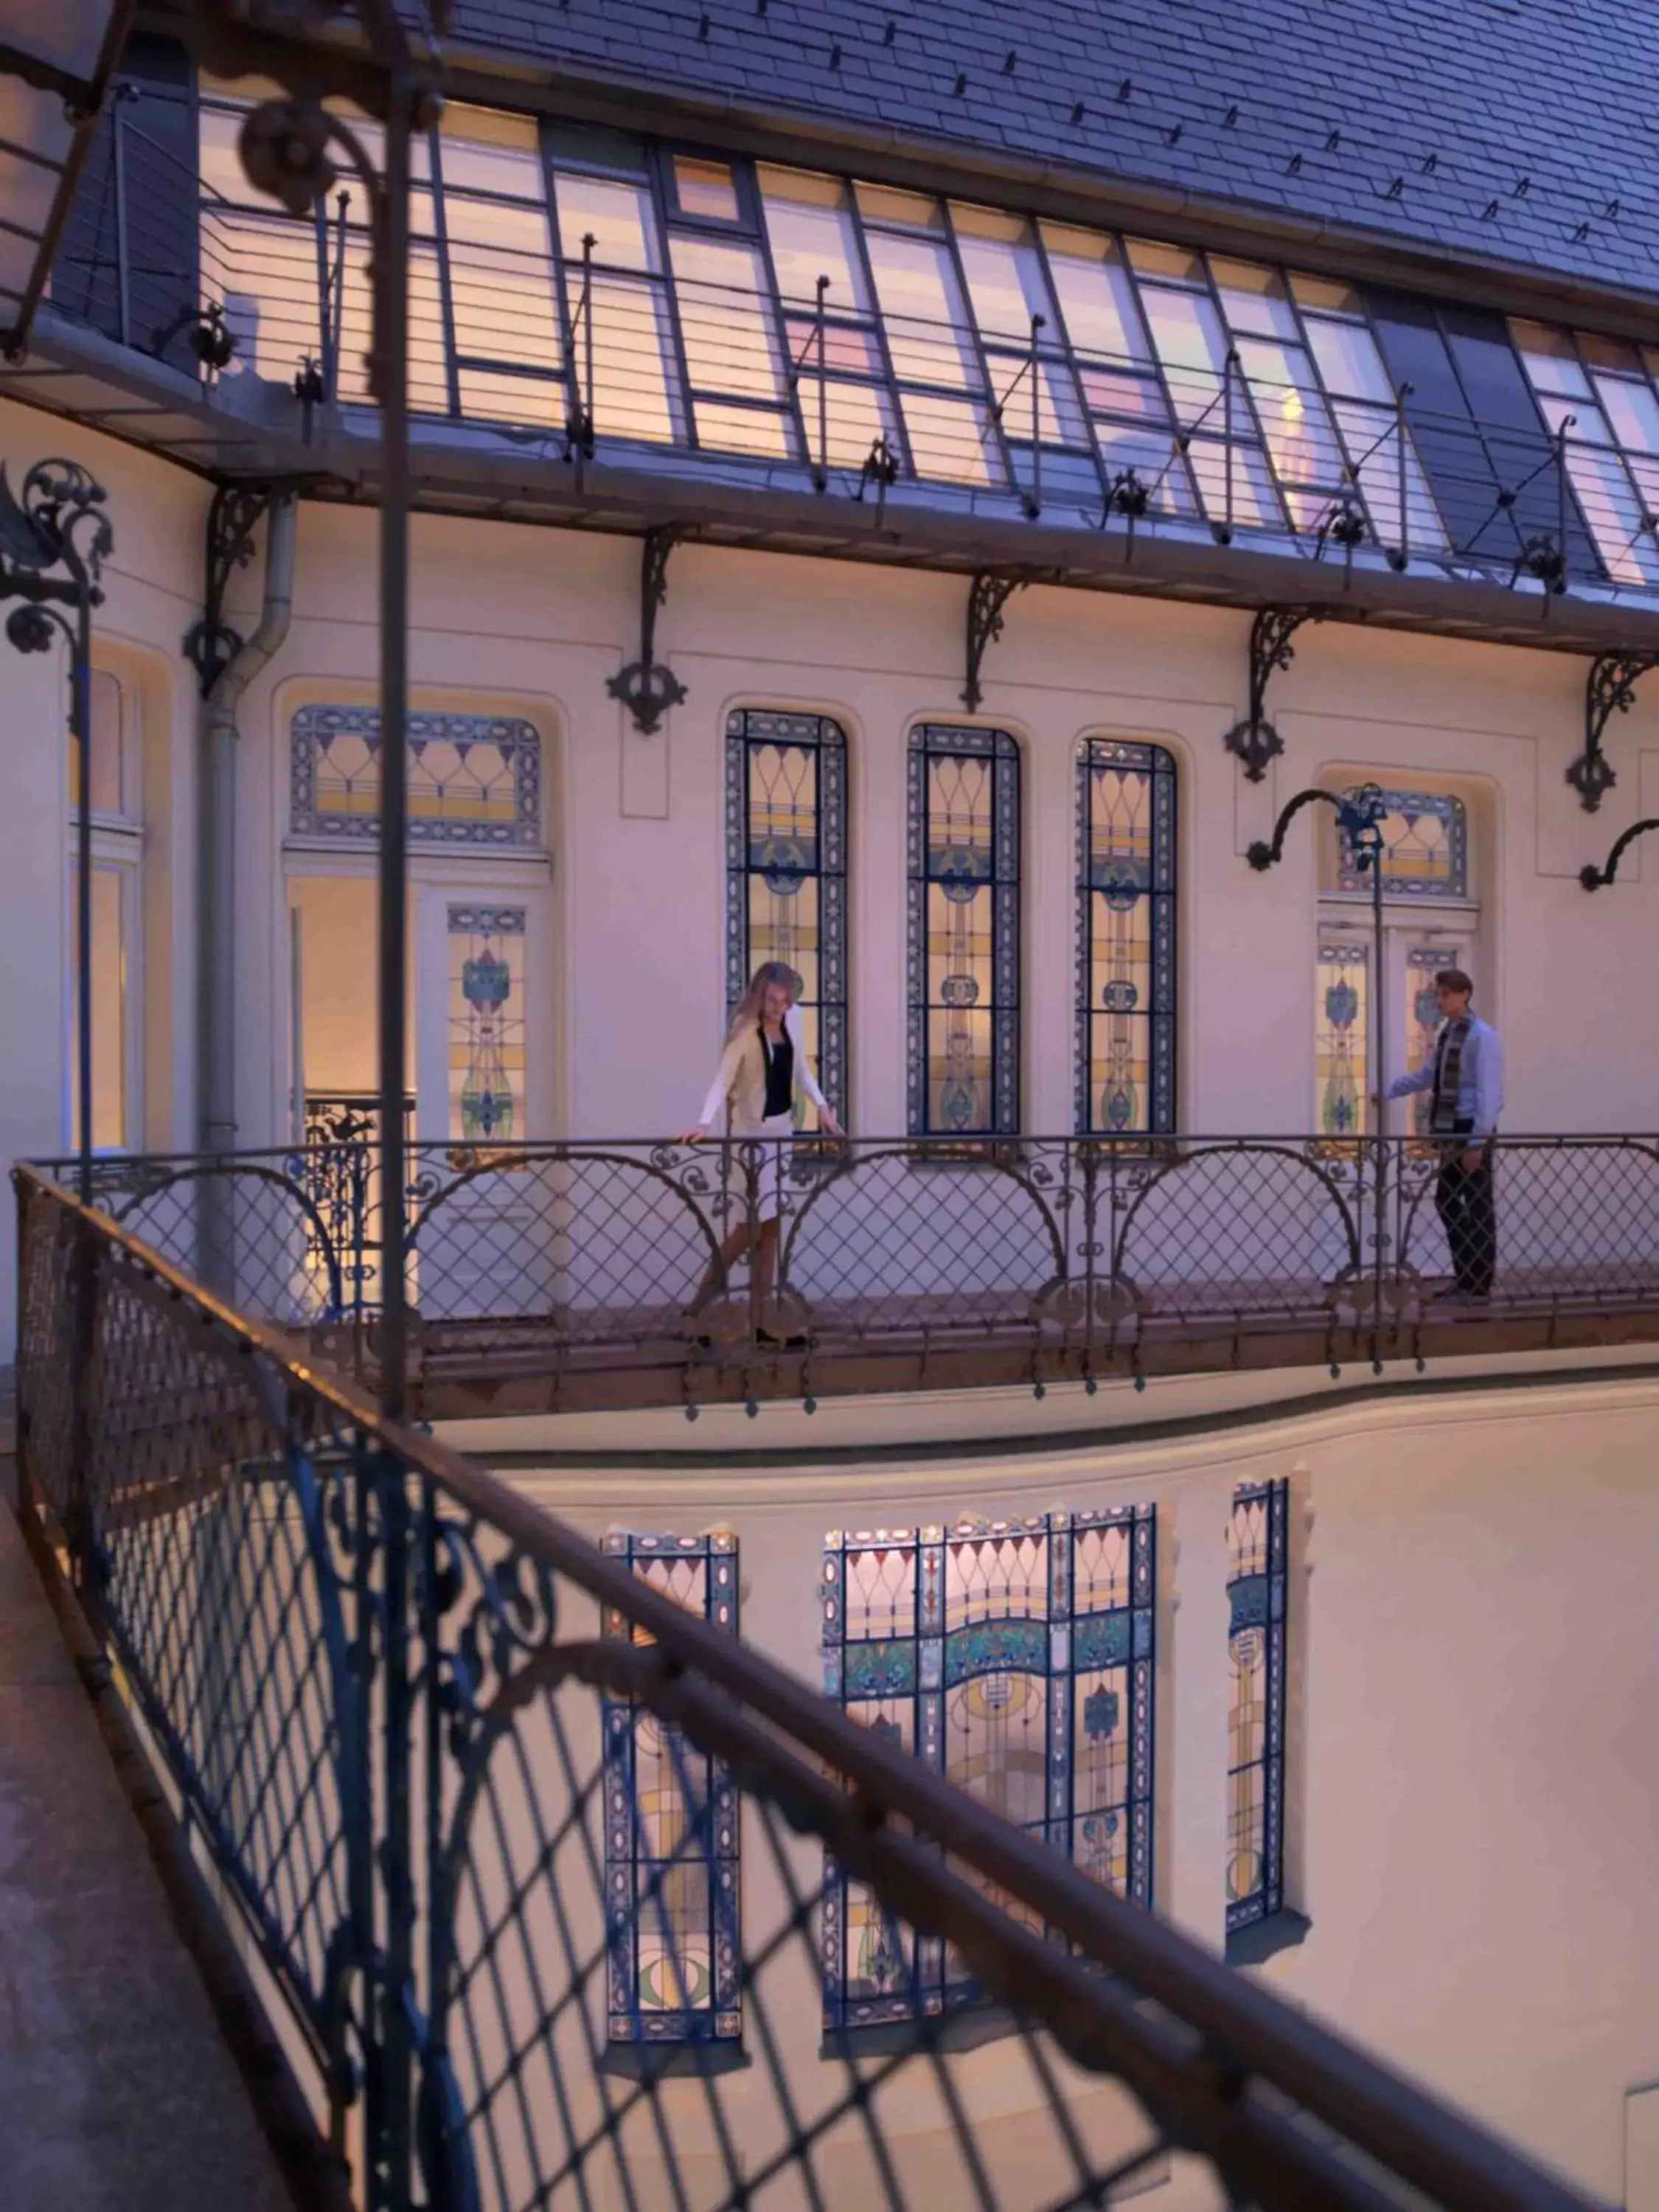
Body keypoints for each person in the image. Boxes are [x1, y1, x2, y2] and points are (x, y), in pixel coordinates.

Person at [678, 961, 844, 1338]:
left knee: (771, 1226)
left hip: (781, 1134)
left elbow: (801, 1072)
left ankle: (763, 1318)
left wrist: (822, 1108)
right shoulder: (743, 1030)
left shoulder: (794, 1020)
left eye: (784, 1001)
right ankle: (700, 1305)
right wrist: (704, 1122)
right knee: (749, 1225)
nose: (778, 1007)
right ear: (759, 994)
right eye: (772, 1000)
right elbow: (722, 1081)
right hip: (750, 1137)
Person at [1384, 967, 1503, 1301]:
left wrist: (1477, 1143)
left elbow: (1489, 1093)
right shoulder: (1449, 1033)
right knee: (1449, 1200)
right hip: (1450, 1128)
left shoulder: (1482, 1036)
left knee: (1477, 1204)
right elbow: (1428, 1075)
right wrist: (1390, 1090)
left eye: (1445, 994)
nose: (1440, 1000)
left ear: (1464, 994)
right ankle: (1466, 1277)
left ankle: (1478, 1284)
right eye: (1438, 994)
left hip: (1470, 1128)